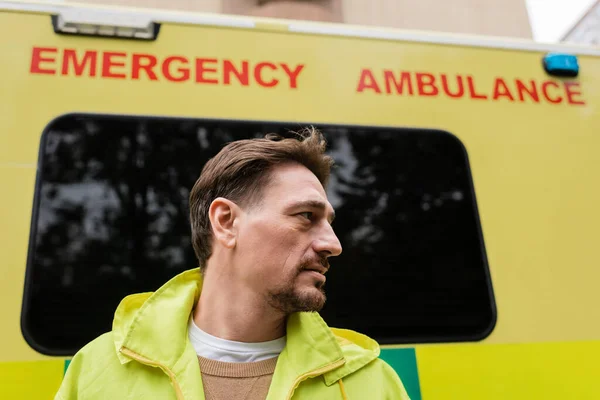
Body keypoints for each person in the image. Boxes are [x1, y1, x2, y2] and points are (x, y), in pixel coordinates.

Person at [55, 127, 411, 400]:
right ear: (226, 221)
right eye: (306, 216)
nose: (333, 245)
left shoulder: (370, 380)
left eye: (329, 223)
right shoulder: (97, 369)